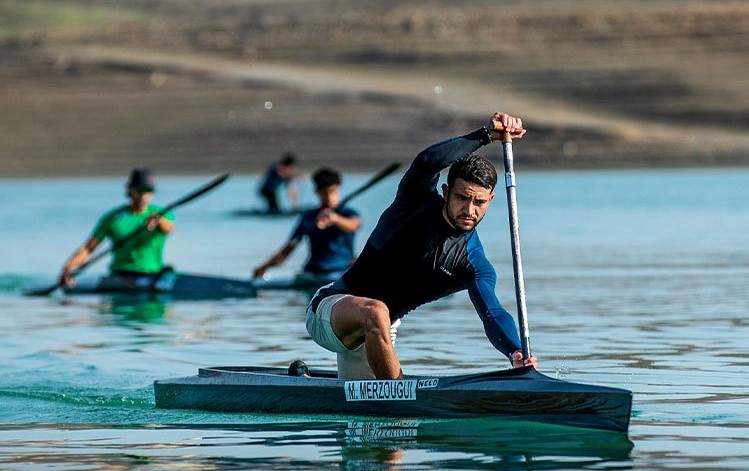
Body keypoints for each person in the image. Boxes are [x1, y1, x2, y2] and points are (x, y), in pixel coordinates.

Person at [305, 112, 539, 380]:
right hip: (331, 309)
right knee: (377, 312)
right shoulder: (414, 203)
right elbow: (427, 162)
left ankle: (315, 381)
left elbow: (492, 313)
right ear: (446, 191)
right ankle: (396, 393)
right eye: (462, 198)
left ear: (491, 200)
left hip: (378, 333)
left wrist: (515, 351)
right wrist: (484, 135)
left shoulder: (472, 262)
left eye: (479, 203)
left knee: (379, 414)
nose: (469, 210)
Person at [58, 168, 175, 288]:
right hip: (120, 277)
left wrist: (159, 219)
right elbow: (88, 248)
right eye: (140, 190)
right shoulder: (113, 218)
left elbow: (169, 229)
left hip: (152, 276)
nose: (144, 196)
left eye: (148, 191)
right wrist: (69, 267)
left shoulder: (163, 214)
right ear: (131, 189)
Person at [253, 167, 361, 283]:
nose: (330, 197)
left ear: (338, 190)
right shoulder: (308, 218)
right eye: (325, 193)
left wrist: (335, 219)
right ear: (317, 192)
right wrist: (264, 266)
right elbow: (288, 249)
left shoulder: (348, 213)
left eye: (333, 191)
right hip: (312, 274)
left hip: (341, 273)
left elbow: (354, 225)